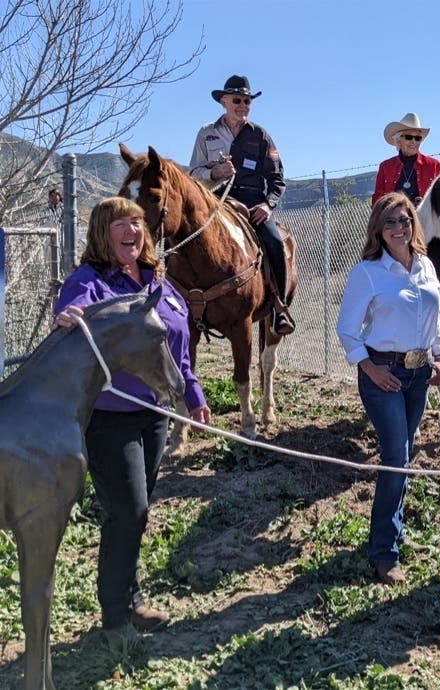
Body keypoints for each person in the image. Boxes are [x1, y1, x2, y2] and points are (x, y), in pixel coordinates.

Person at [53, 197, 211, 642]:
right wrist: (64, 320)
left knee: (135, 516)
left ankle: (130, 597)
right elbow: (71, 318)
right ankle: (116, 618)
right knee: (128, 510)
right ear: (103, 233)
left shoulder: (157, 280)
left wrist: (192, 393)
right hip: (110, 417)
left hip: (155, 413)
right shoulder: (90, 283)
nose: (133, 231)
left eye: (138, 223)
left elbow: (176, 344)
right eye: (121, 223)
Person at [336, 192, 440, 585]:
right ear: (378, 231)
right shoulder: (366, 273)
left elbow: (433, 319)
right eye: (390, 223)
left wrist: (439, 356)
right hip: (382, 373)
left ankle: (392, 533)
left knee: (404, 457)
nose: (399, 228)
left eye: (405, 220)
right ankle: (385, 553)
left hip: (419, 376)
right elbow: (347, 329)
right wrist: (368, 369)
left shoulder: (427, 266)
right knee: (396, 457)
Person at [189, 74, 295, 336]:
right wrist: (215, 174)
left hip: (253, 201)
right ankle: (181, 301)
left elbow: (278, 178)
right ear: (224, 102)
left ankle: (279, 308)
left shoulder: (260, 136)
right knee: (186, 237)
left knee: (275, 240)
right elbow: (192, 173)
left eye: (247, 101)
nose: (243, 105)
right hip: (215, 200)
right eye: (237, 100)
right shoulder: (207, 133)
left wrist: (268, 205)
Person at [372, 113, 440, 206]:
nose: (413, 141)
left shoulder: (434, 165)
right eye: (409, 137)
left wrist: (425, 204)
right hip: (394, 218)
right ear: (398, 140)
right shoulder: (385, 167)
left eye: (417, 138)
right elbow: (377, 201)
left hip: (424, 219)